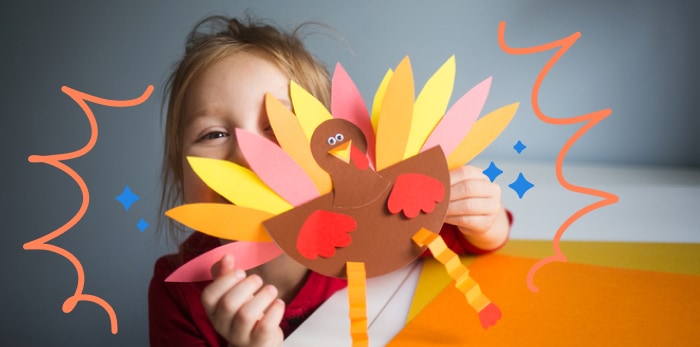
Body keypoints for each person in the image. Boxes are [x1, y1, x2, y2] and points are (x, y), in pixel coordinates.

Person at [148, 15, 511, 347]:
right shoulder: (178, 292)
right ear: (178, 167)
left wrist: (484, 221)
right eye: (213, 134)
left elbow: (462, 238)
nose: (249, 153)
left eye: (278, 127)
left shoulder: (370, 224)